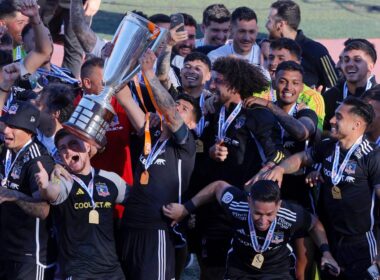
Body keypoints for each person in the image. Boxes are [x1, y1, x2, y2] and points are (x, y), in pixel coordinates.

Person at [260, 96, 380, 279]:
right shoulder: (328, 146)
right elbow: (302, 158)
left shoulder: (373, 157)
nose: (331, 120)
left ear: (356, 124)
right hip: (328, 240)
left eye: (339, 117)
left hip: (361, 243)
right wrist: (280, 169)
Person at [192, 56, 284, 279]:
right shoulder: (214, 111)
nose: (211, 85)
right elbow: (199, 150)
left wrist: (256, 182)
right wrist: (211, 152)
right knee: (210, 267)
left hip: (244, 209)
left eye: (217, 81)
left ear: (234, 84)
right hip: (214, 205)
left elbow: (278, 157)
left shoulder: (257, 115)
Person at [115, 49, 198, 279]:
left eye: (185, 109)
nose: (177, 107)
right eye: (176, 103)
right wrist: (121, 60)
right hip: (130, 227)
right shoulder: (147, 134)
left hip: (158, 230)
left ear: (191, 124)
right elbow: (122, 95)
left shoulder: (185, 144)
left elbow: (170, 113)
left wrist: (149, 73)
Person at [163, 180, 339, 279]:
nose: (263, 220)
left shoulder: (290, 214)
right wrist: (186, 208)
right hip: (240, 270)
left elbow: (314, 224)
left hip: (275, 271)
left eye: (269, 214)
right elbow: (217, 186)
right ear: (249, 202)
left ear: (278, 205)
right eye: (257, 213)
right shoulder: (236, 205)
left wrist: (326, 252)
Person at [245, 61, 319, 280]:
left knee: (302, 265)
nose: (288, 87)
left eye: (295, 83)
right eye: (284, 81)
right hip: (267, 196)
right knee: (265, 261)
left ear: (302, 86)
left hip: (299, 194)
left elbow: (301, 133)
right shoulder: (260, 111)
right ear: (275, 80)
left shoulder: (306, 112)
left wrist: (269, 106)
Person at [34, 128, 128, 279]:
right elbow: (53, 192)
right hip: (78, 272)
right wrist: (45, 187)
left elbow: (138, 202)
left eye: (73, 144)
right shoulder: (62, 179)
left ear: (88, 146)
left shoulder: (111, 179)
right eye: (63, 148)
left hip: (112, 271)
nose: (69, 151)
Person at [0, 100, 56, 279]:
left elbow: (44, 210)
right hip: (6, 249)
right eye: (6, 124)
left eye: (14, 126)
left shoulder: (38, 160)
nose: (6, 130)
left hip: (30, 256)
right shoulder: (7, 151)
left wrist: (14, 197)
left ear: (30, 130)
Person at [254, 38, 325, 130]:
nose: (273, 63)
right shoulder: (258, 90)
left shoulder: (312, 98)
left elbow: (314, 134)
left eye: (281, 58)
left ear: (297, 63)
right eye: (271, 57)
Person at [266, 0, 338, 91]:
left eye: (269, 20)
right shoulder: (266, 48)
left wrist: (315, 99)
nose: (266, 25)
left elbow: (336, 85)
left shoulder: (316, 51)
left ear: (280, 25)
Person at [323, 39, 377, 131]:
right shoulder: (331, 96)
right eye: (346, 60)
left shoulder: (377, 96)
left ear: (370, 66)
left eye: (357, 60)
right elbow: (321, 132)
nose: (350, 64)